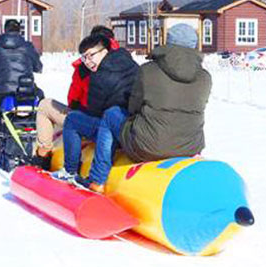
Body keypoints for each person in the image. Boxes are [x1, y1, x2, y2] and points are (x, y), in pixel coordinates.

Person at [85, 23, 211, 193]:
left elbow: (133, 107)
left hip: (148, 147)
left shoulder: (148, 71)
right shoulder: (205, 77)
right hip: (190, 148)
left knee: (111, 114)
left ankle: (98, 179)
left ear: (168, 42)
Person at [52, 31, 138, 186]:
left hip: (114, 129)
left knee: (72, 119)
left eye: (91, 55)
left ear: (104, 50)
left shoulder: (99, 77)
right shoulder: (129, 62)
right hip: (134, 125)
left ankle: (70, 170)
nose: (87, 61)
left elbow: (94, 111)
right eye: (84, 57)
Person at [30, 26, 119, 169]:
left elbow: (73, 99)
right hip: (119, 122)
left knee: (45, 106)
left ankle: (43, 154)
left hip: (92, 122)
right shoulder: (124, 61)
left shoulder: (85, 66)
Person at [0, 19, 43, 134]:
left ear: (5, 30)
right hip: (27, 93)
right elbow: (38, 67)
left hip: (3, 92)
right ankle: (43, 128)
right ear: (19, 31)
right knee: (41, 97)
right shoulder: (28, 46)